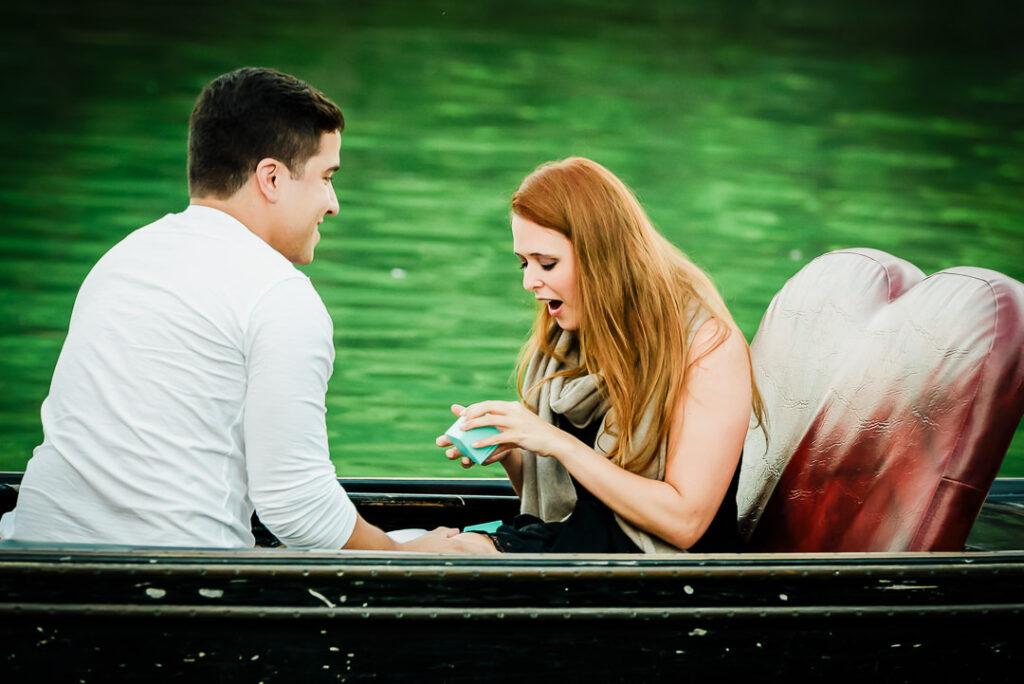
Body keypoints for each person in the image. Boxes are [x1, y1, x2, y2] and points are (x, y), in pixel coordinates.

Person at [0, 67, 457, 552]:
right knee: (428, 544)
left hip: (31, 551)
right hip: (171, 586)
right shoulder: (279, 295)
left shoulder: (123, 258)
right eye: (326, 178)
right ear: (272, 178)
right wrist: (407, 554)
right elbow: (297, 507)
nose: (333, 204)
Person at [436, 157, 765, 553]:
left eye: (547, 263)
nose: (529, 281)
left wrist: (555, 441)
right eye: (524, 263)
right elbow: (556, 506)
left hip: (658, 572)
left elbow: (685, 523)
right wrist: (513, 449)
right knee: (434, 545)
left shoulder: (709, 348)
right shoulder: (570, 335)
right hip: (583, 546)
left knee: (453, 552)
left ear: (602, 256)